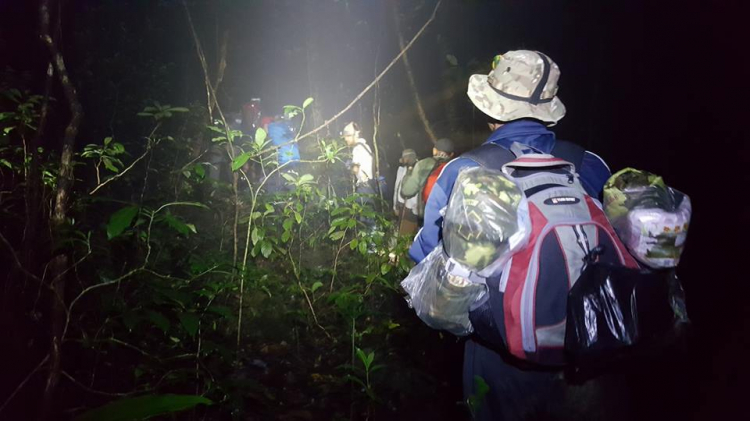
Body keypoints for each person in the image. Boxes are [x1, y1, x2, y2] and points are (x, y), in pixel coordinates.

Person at [409, 50, 611, 420]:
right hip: (593, 346)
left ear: (491, 111)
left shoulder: (464, 171)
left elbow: (426, 260)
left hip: (498, 353)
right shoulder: (590, 165)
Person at [400, 138, 455, 223]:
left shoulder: (423, 164)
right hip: (450, 218)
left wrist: (409, 171)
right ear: (451, 154)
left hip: (428, 216)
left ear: (434, 150)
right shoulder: (458, 167)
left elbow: (407, 191)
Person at [393, 149, 419, 236]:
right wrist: (395, 206)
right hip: (401, 206)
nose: (401, 160)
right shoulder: (401, 170)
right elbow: (397, 188)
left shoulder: (419, 170)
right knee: (401, 230)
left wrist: (415, 208)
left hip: (412, 209)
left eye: (403, 158)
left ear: (407, 158)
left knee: (408, 233)